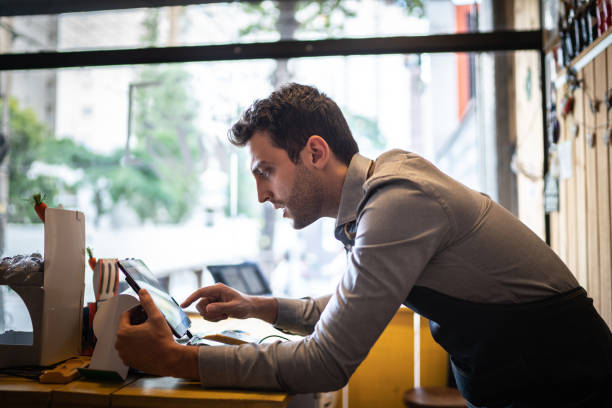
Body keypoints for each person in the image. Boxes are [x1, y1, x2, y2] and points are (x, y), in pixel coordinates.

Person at [115, 83, 612, 407]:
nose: (263, 194)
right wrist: (258, 307)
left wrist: (176, 360)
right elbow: (354, 303)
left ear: (314, 151)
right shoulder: (385, 190)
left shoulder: (397, 201)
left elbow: (325, 363)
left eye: (265, 171)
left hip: (565, 388)